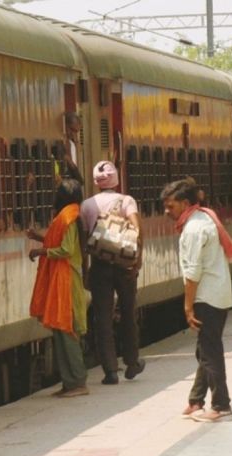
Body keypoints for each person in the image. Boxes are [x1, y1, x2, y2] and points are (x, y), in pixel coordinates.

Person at [161, 179, 232, 422]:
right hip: (217, 293)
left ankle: (221, 406)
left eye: (170, 206)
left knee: (210, 351)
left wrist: (187, 305)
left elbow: (192, 272)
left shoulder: (193, 229)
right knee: (204, 348)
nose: (166, 211)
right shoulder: (204, 218)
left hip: (207, 296)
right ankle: (196, 400)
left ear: (185, 204)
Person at [80, 161, 144, 385]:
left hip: (99, 266)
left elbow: (84, 240)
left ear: (96, 182)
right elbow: (137, 230)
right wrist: (138, 260)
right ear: (116, 179)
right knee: (128, 313)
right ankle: (132, 361)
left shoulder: (87, 205)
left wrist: (85, 269)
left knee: (103, 318)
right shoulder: (126, 201)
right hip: (125, 265)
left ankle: (110, 371)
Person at [27, 179, 89, 398]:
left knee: (68, 330)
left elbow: (65, 249)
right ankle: (69, 382)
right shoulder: (68, 216)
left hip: (67, 280)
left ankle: (77, 382)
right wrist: (38, 238)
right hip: (61, 279)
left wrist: (40, 252)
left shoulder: (69, 218)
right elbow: (60, 243)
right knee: (61, 332)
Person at [60, 111, 83, 183]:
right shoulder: (58, 143)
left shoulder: (72, 146)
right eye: (71, 129)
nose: (73, 134)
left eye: (76, 132)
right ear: (64, 125)